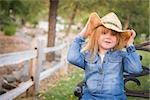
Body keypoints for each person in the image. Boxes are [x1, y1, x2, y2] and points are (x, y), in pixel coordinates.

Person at [67, 12, 143, 100]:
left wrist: (130, 45)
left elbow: (136, 69)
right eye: (104, 33)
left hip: (114, 98)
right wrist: (82, 36)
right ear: (96, 36)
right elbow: (72, 58)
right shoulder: (89, 55)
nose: (108, 37)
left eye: (113, 34)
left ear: (117, 39)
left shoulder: (121, 55)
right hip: (90, 97)